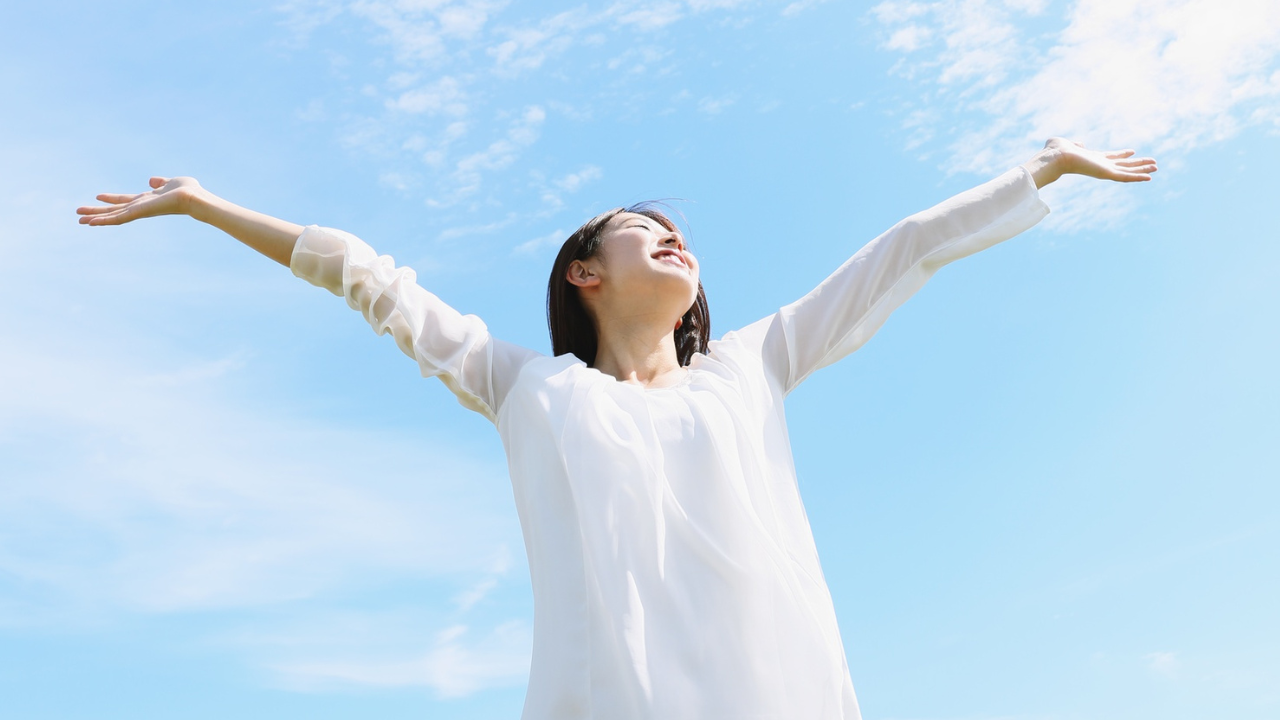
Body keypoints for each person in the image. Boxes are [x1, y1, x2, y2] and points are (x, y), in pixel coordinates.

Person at [77, 137, 1156, 720]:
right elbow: (368, 277)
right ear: (583, 273)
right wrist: (207, 205)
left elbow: (899, 252)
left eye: (683, 234)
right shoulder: (523, 387)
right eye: (649, 231)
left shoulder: (751, 364)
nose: (676, 239)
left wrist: (1036, 172)